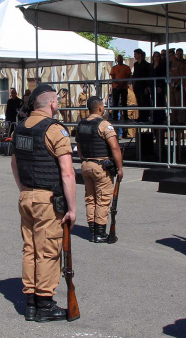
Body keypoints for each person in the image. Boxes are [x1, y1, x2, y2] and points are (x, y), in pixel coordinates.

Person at [11, 85, 77, 322]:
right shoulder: (55, 129)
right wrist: (72, 208)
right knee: (48, 251)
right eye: (57, 100)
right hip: (47, 199)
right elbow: (68, 173)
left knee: (30, 249)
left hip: (26, 196)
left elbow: (14, 163)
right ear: (51, 104)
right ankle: (45, 304)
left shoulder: (21, 127)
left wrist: (24, 190)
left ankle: (31, 301)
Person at [76, 96, 123, 243]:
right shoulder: (104, 125)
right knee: (103, 199)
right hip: (101, 167)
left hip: (86, 164)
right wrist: (120, 168)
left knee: (90, 199)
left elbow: (78, 147)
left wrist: (84, 160)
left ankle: (92, 230)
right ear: (100, 108)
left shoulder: (81, 124)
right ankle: (100, 233)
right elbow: (115, 147)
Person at [109, 55, 132, 124]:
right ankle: (114, 117)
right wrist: (118, 84)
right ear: (116, 60)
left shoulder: (126, 67)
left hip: (124, 87)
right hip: (116, 87)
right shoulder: (114, 68)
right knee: (115, 102)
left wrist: (122, 85)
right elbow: (113, 77)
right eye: (118, 59)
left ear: (122, 59)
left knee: (124, 102)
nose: (119, 60)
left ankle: (125, 117)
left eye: (120, 58)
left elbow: (128, 77)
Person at [132, 49, 151, 122]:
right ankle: (140, 116)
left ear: (140, 55)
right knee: (139, 101)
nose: (134, 55)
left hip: (144, 86)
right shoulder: (136, 64)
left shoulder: (146, 65)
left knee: (145, 101)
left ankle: (145, 117)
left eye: (136, 54)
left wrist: (147, 86)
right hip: (137, 85)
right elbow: (135, 75)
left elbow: (148, 76)